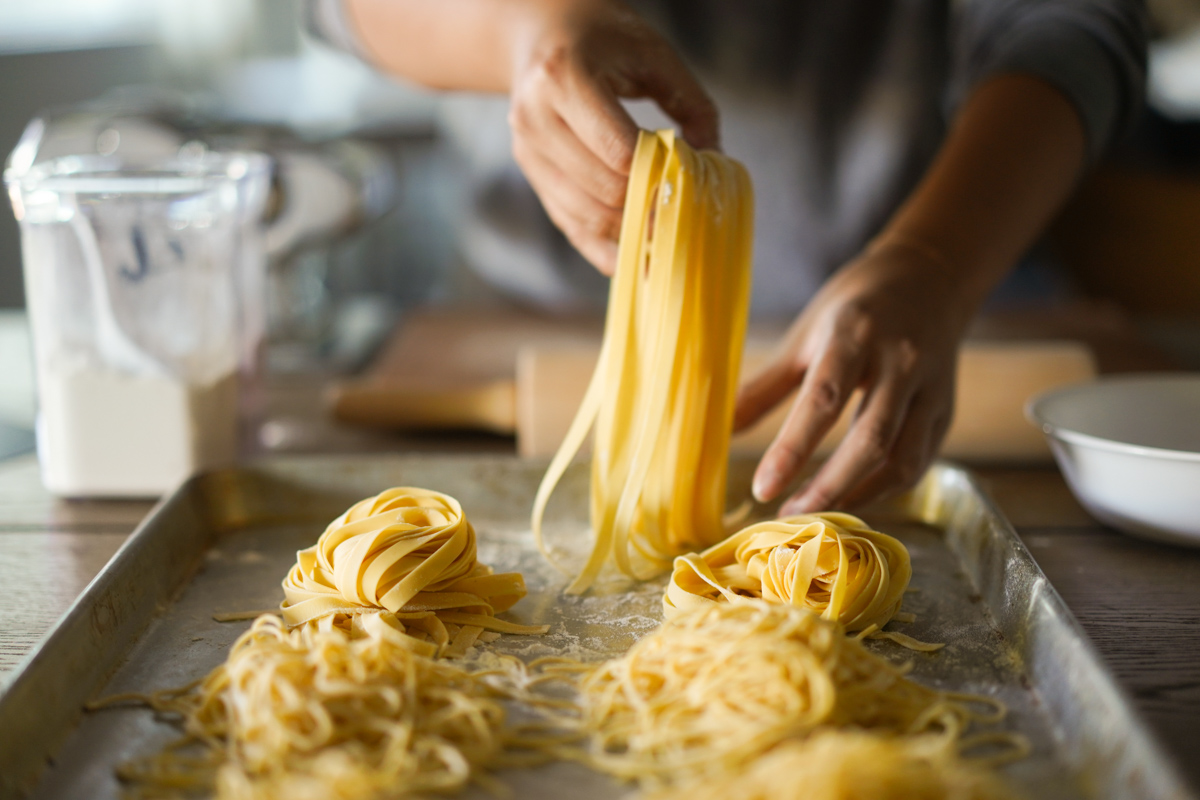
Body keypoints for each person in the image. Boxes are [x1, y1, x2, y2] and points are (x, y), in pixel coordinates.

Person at [308, 0, 1147, 514]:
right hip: (528, 307)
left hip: (932, 279)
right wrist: (524, 33)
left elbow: (1071, 17)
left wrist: (936, 258)